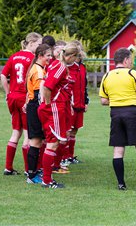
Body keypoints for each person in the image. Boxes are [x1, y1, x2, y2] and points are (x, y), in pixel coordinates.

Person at [99, 47, 136, 191]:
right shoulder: (132, 74)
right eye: (131, 60)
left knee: (118, 149)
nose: (132, 62)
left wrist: (117, 101)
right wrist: (128, 100)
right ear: (125, 60)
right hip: (132, 112)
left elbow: (103, 101)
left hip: (115, 113)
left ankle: (121, 183)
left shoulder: (107, 75)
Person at [37, 43, 80, 188]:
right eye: (76, 57)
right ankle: (47, 180)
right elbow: (47, 86)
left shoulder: (57, 65)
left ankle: (47, 178)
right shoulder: (60, 66)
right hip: (54, 108)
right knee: (53, 143)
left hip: (57, 107)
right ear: (71, 56)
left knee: (52, 142)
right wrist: (49, 104)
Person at [1, 32, 42, 175]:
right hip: (24, 98)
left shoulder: (14, 56)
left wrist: (7, 93)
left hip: (12, 97)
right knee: (27, 134)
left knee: (15, 132)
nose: (39, 47)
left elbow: (2, 75)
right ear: (31, 43)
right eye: (38, 44)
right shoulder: (32, 58)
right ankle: (28, 170)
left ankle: (8, 167)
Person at [25, 44, 52, 184]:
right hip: (35, 107)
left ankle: (34, 171)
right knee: (35, 141)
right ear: (40, 55)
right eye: (48, 55)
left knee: (39, 141)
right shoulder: (38, 71)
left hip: (33, 106)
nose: (50, 57)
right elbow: (39, 93)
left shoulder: (38, 68)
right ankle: (31, 175)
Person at [61, 40, 89, 166]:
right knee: (67, 130)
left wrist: (85, 101)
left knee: (75, 130)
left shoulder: (82, 68)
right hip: (70, 105)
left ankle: (70, 156)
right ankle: (63, 157)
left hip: (80, 104)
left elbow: (84, 86)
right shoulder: (66, 68)